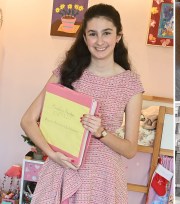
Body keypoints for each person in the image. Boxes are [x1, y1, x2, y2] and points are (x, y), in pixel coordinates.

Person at [20, 3, 143, 204]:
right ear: (85, 38)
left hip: (103, 179)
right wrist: (52, 154)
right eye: (93, 34)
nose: (100, 41)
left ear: (118, 36)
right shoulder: (67, 72)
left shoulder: (130, 83)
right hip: (62, 169)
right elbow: (28, 120)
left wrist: (101, 132)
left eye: (107, 33)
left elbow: (130, 150)